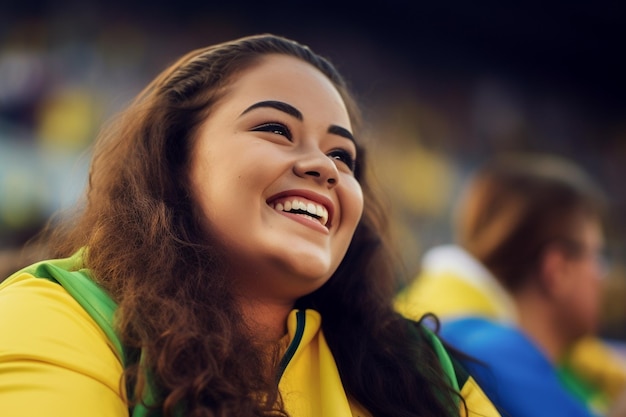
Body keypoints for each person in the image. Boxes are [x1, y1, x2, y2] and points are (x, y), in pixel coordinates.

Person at [0, 34, 500, 417]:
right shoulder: (57, 317)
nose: (324, 167)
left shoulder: (421, 369)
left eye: (342, 156)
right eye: (275, 129)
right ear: (176, 156)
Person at [396, 152, 626, 417]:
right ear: (558, 269)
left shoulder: (450, 317)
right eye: (597, 256)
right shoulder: (479, 348)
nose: (603, 276)